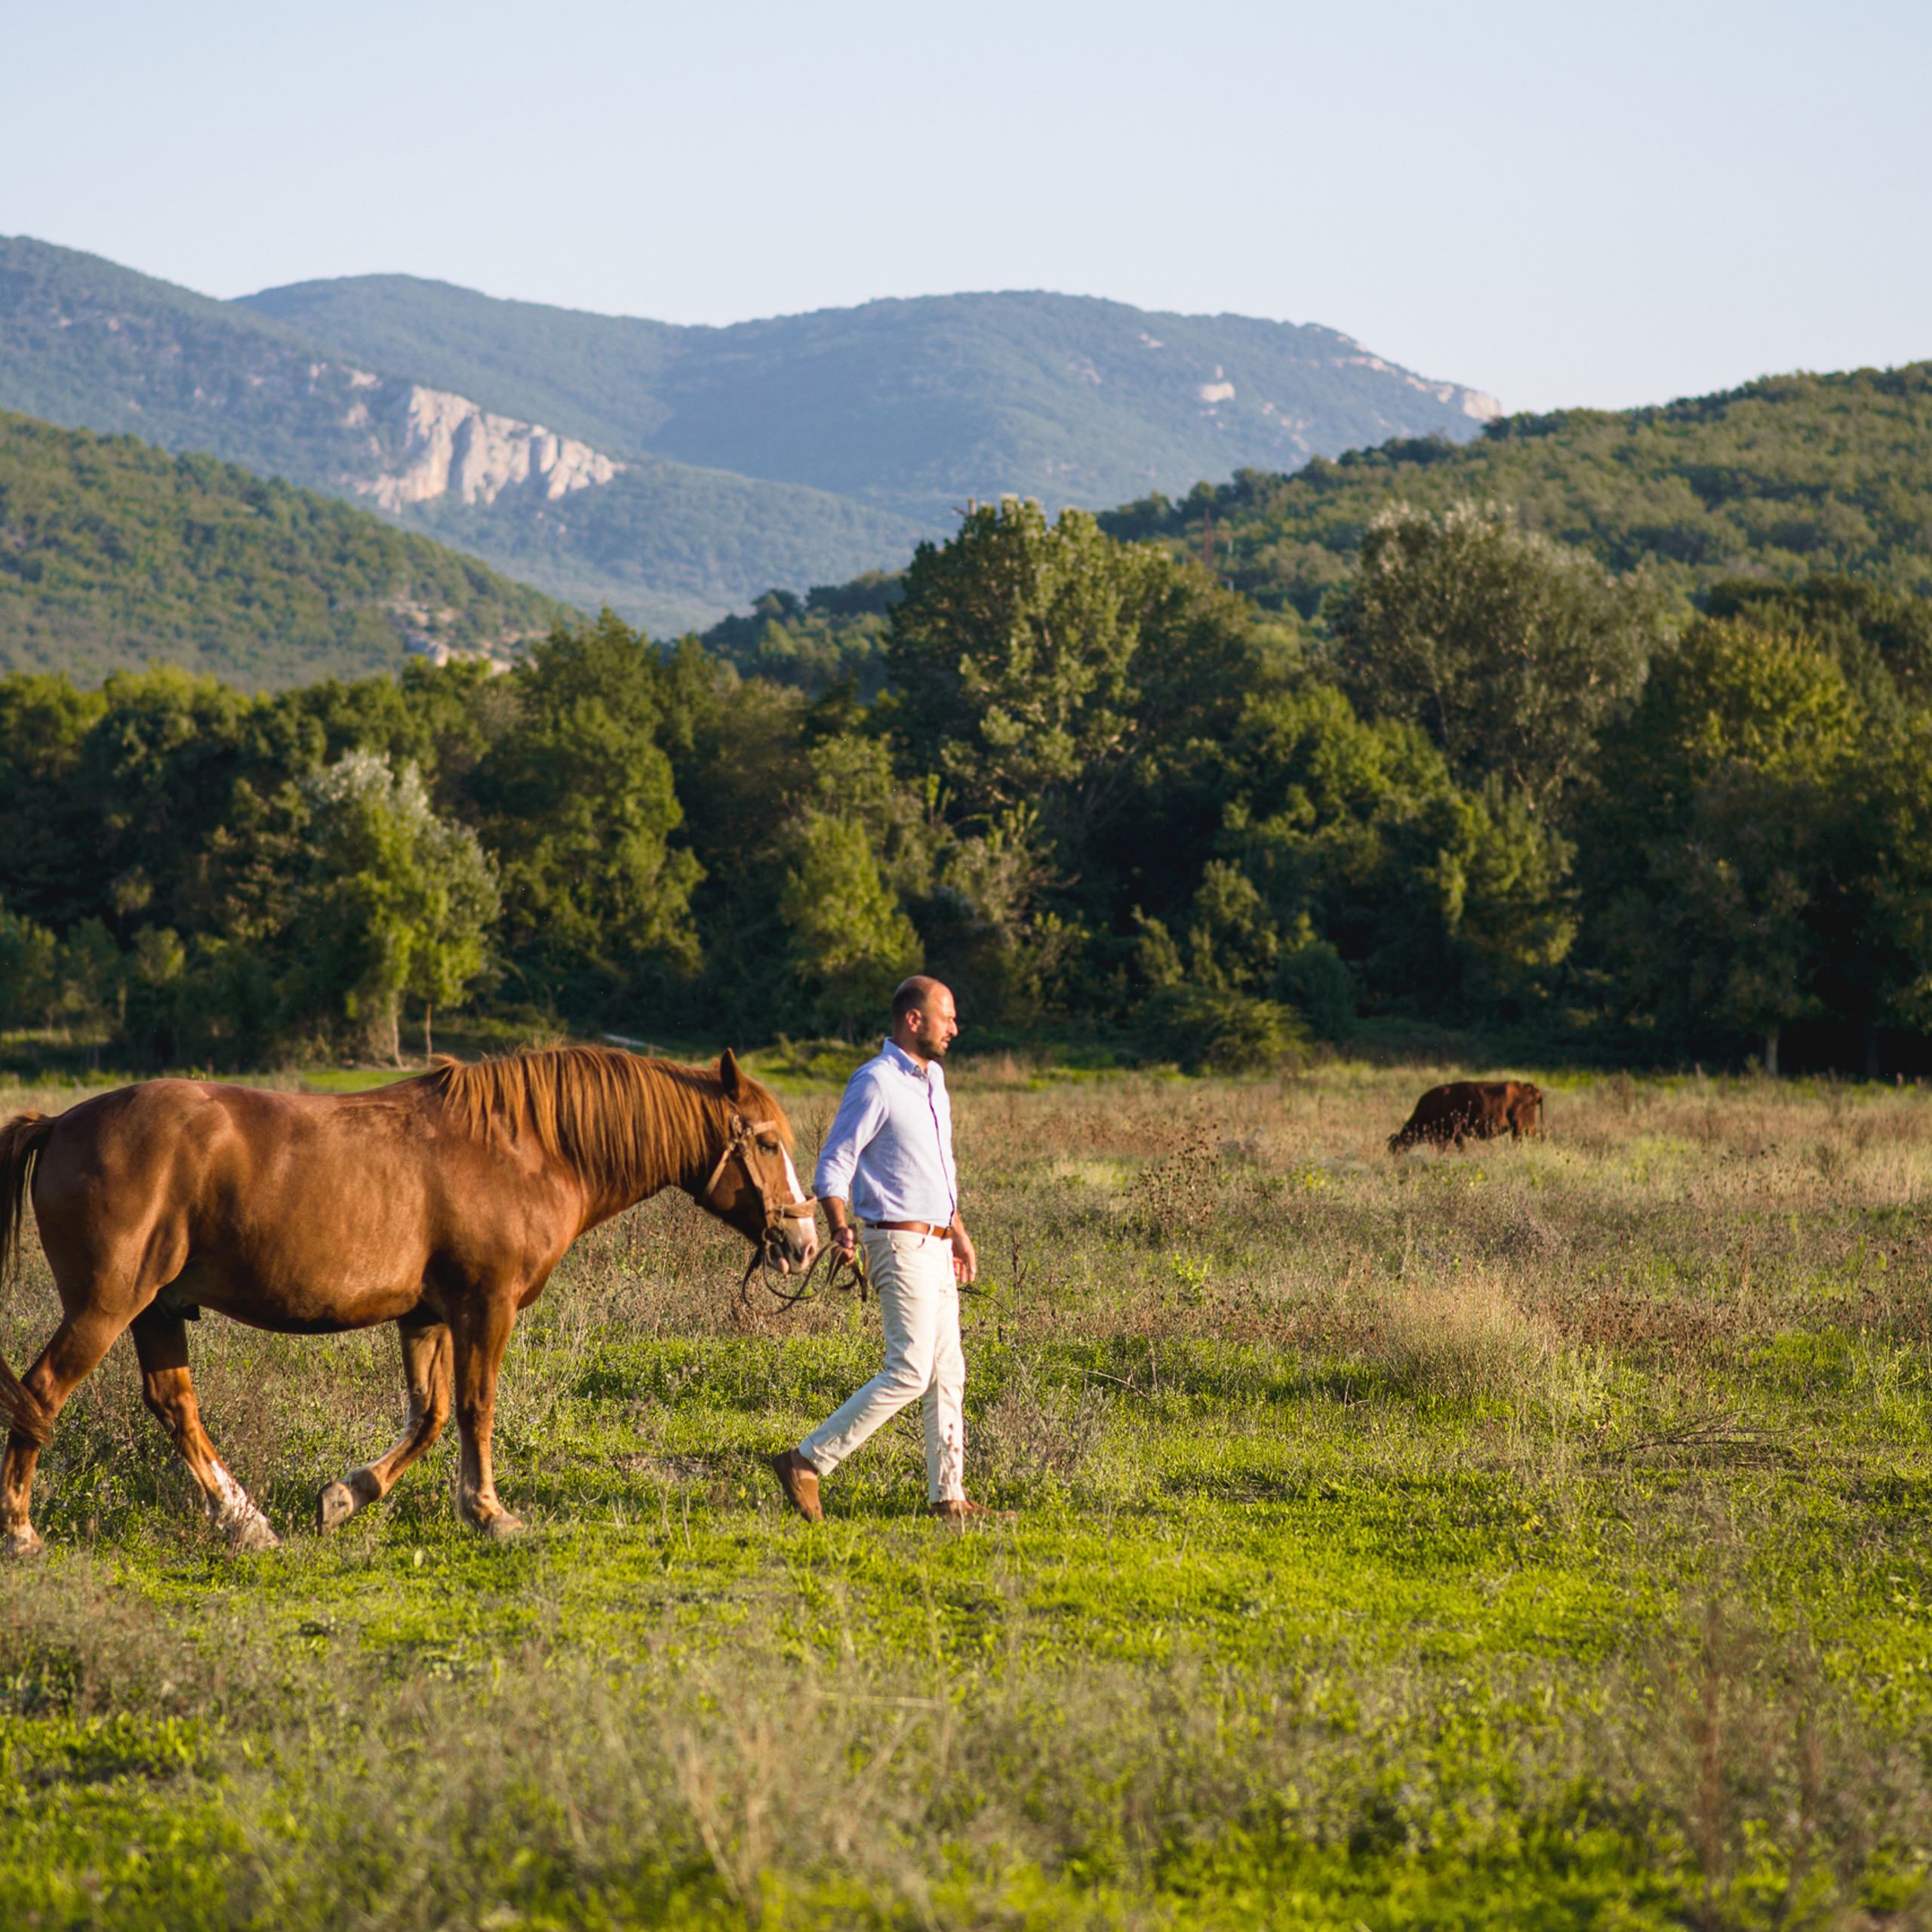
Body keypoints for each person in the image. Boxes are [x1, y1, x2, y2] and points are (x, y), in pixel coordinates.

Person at [768, 976, 993, 1522]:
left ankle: (949, 1498)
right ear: (914, 1020)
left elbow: (937, 1169)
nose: (955, 1028)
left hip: (937, 1243)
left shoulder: (934, 1080)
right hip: (896, 1241)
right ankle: (805, 1460)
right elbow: (834, 1166)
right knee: (911, 1369)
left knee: (947, 1372)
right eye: (947, 1017)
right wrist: (840, 1227)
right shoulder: (874, 1082)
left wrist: (957, 1229)